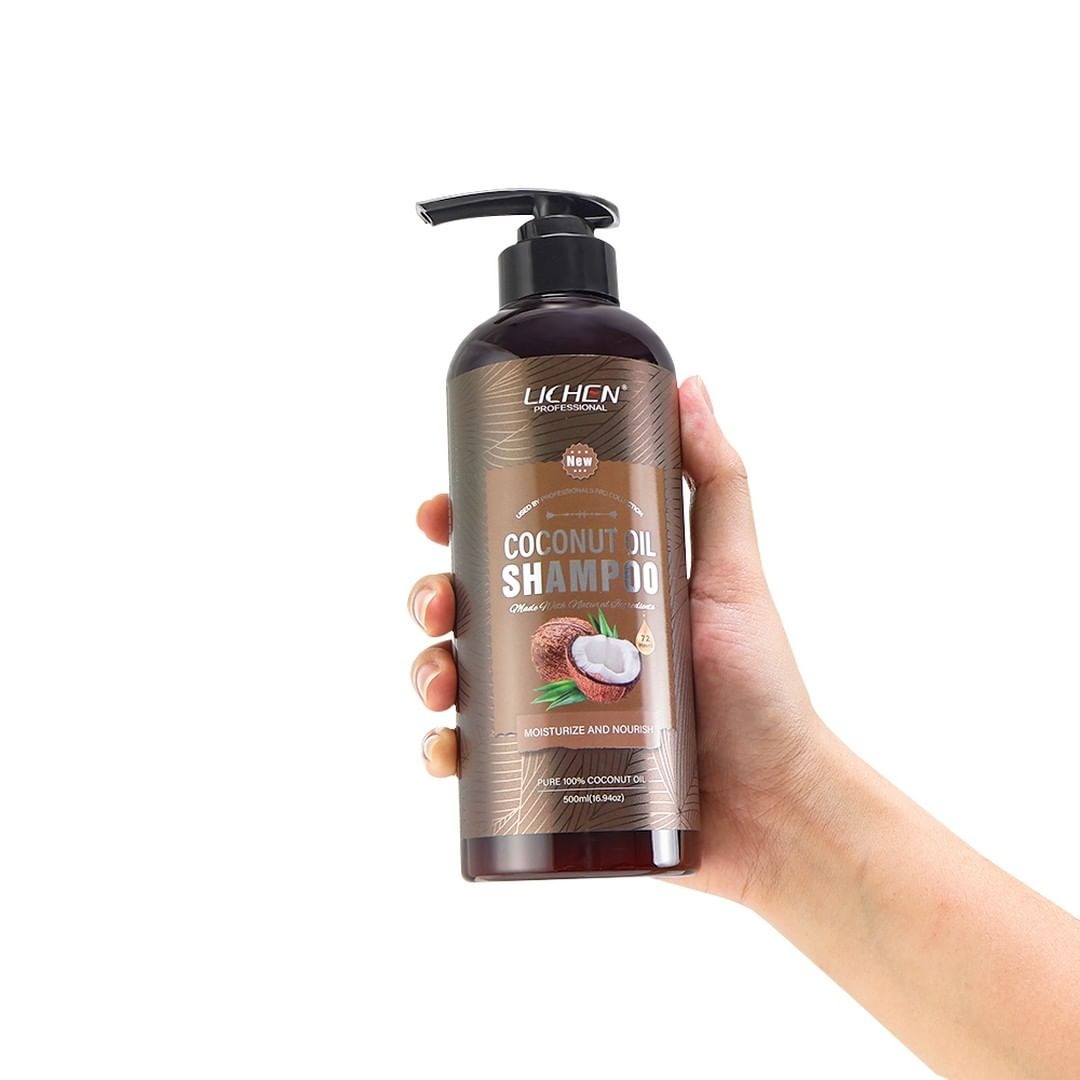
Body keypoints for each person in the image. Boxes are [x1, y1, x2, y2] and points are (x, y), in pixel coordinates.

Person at [407, 376, 1080, 1078]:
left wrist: (781, 801)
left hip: (662, 795)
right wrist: (783, 816)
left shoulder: (624, 358)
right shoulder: (488, 363)